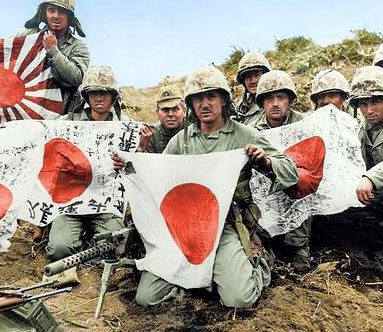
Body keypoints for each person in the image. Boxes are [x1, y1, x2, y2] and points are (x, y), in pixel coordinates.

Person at [113, 66, 298, 308]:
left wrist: (265, 160)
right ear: (190, 105)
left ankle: (258, 264)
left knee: (239, 299)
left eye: (211, 96)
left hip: (227, 226)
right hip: (186, 228)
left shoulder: (244, 135)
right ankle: (203, 279)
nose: (205, 104)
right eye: (198, 99)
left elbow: (290, 171)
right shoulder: (181, 140)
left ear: (223, 99)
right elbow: (159, 179)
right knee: (147, 297)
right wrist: (131, 164)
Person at [46, 66, 127, 261]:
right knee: (59, 250)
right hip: (72, 202)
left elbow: (136, 169)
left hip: (106, 203)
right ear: (86, 96)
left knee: (115, 248)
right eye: (94, 93)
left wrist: (129, 158)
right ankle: (78, 237)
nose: (99, 98)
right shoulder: (67, 123)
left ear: (113, 96)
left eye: (104, 93)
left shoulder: (126, 127)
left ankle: (93, 237)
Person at [249, 70, 311, 271]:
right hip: (264, 184)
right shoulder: (250, 130)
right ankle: (266, 243)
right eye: (269, 98)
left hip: (298, 181)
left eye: (281, 97)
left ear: (290, 100)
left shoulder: (305, 124)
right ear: (261, 103)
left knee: (302, 186)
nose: (275, 103)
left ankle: (300, 247)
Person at [349, 65, 383, 287]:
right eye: (363, 104)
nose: (369, 110)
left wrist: (371, 177)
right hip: (381, 196)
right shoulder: (360, 129)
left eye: (375, 102)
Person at [20, 0, 90, 115]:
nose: (56, 16)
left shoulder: (78, 47)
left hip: (59, 116)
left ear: (69, 17)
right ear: (44, 14)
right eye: (51, 10)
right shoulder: (29, 37)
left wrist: (53, 51)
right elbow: (4, 50)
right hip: (27, 111)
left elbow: (76, 79)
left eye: (62, 12)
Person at [137, 84, 186, 153]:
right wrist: (141, 149)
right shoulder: (150, 134)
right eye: (165, 110)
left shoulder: (194, 130)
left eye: (175, 109)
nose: (170, 114)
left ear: (184, 110)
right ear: (157, 113)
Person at [234, 53, 272, 125]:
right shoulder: (241, 107)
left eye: (257, 75)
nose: (253, 81)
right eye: (248, 76)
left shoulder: (277, 102)